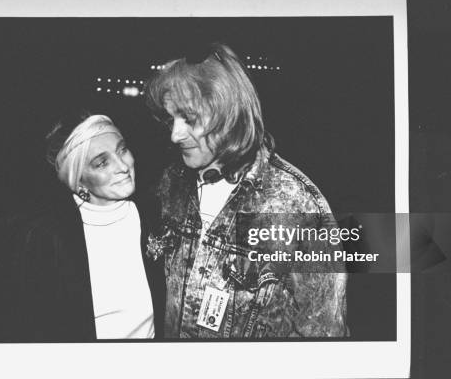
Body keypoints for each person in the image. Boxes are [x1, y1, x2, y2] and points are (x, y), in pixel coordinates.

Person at [145, 43, 348, 338]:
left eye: (188, 118)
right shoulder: (171, 184)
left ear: (228, 114)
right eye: (170, 119)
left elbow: (325, 337)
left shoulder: (296, 205)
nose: (175, 135)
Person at [13, 114, 163, 341]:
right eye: (102, 162)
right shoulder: (49, 237)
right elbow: (38, 326)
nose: (123, 166)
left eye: (122, 150)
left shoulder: (151, 213)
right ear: (79, 181)